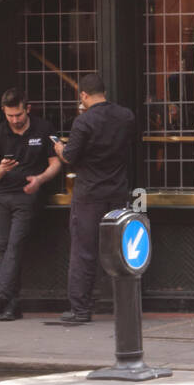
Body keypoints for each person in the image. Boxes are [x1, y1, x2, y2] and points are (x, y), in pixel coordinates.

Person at [52, 73, 136, 323]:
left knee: (84, 251)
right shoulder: (126, 116)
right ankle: (126, 307)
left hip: (89, 194)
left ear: (84, 96)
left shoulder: (83, 122)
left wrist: (58, 148)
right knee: (121, 251)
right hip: (118, 192)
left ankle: (81, 309)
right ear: (105, 92)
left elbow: (71, 157)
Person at [0, 90, 61, 321]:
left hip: (27, 195)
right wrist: (1, 169)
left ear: (28, 108)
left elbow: (56, 163)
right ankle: (10, 304)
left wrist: (40, 179)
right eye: (10, 115)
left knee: (14, 245)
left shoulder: (43, 129)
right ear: (4, 111)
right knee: (3, 248)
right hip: (0, 195)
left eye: (19, 114)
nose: (15, 119)